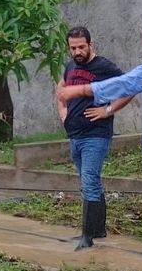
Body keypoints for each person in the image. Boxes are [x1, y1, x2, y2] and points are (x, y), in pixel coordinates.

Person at [57, 8, 142, 271]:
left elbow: (130, 83)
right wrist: (65, 107)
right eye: (72, 47)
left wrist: (89, 98)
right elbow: (61, 89)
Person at [56, 26, 135, 250]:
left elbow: (130, 88)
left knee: (89, 180)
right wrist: (63, 112)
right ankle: (98, 229)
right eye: (73, 48)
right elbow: (61, 89)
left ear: (91, 45)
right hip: (75, 134)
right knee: (88, 180)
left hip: (96, 135)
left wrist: (107, 110)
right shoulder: (70, 66)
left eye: (82, 47)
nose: (78, 51)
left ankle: (86, 237)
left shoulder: (105, 67)